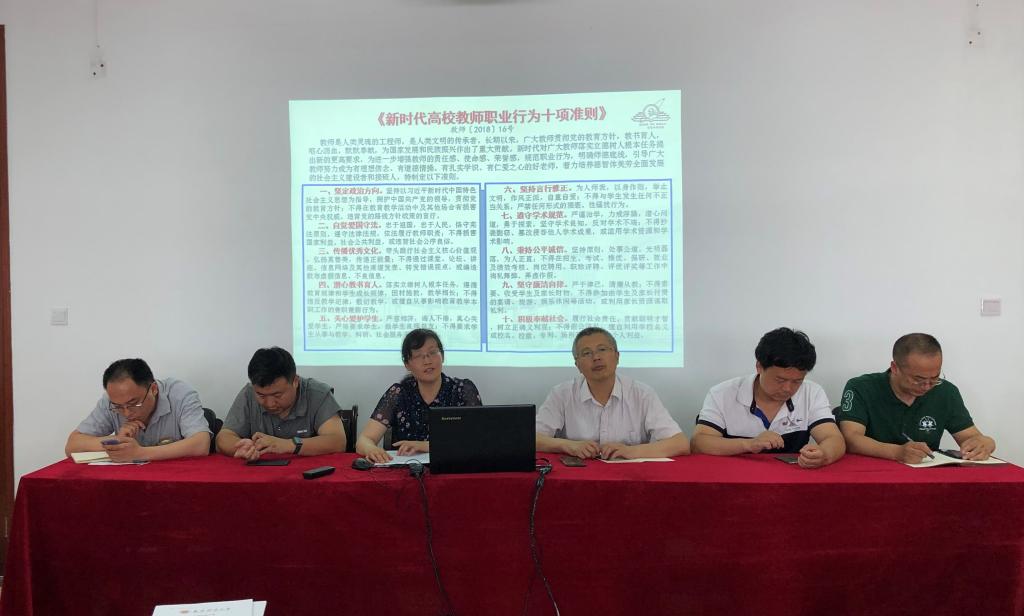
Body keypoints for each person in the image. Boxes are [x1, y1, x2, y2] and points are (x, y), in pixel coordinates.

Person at [691, 327, 845, 468]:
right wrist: (749, 444)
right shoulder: (722, 393)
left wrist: (824, 455)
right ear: (759, 366)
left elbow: (833, 438)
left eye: (797, 381)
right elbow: (699, 443)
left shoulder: (812, 392)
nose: (788, 388)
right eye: (780, 380)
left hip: (790, 478)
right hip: (733, 475)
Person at [838, 333, 996, 463]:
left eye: (934, 378)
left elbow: (970, 437)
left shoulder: (945, 392)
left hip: (926, 474)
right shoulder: (862, 387)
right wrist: (896, 452)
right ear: (895, 368)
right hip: (871, 471)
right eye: (918, 379)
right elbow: (851, 438)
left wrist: (986, 443)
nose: (927, 386)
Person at [535, 327, 689, 459]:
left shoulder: (641, 394)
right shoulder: (561, 394)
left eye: (602, 349)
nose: (596, 357)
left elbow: (680, 443)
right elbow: (533, 439)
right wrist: (568, 445)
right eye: (587, 353)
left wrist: (631, 451)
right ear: (577, 365)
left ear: (617, 356)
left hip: (631, 476)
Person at [356, 329, 482, 463]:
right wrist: (371, 449)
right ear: (407, 364)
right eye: (418, 356)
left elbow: (478, 439)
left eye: (432, 352)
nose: (427, 361)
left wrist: (426, 446)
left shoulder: (462, 390)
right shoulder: (399, 394)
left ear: (442, 356)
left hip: (453, 467)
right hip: (407, 471)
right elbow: (364, 440)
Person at [65, 358, 211, 462]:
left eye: (134, 403)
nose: (126, 413)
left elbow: (201, 444)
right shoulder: (110, 401)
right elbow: (72, 445)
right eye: (118, 407)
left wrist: (141, 453)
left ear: (153, 389)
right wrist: (117, 442)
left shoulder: (180, 394)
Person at [216, 347, 345, 460]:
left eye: (277, 395)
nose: (270, 403)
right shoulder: (248, 394)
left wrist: (288, 445)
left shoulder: (318, 394)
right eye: (261, 395)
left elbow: (337, 441)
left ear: (295, 381)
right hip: (260, 473)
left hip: (308, 472)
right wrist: (241, 448)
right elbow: (223, 437)